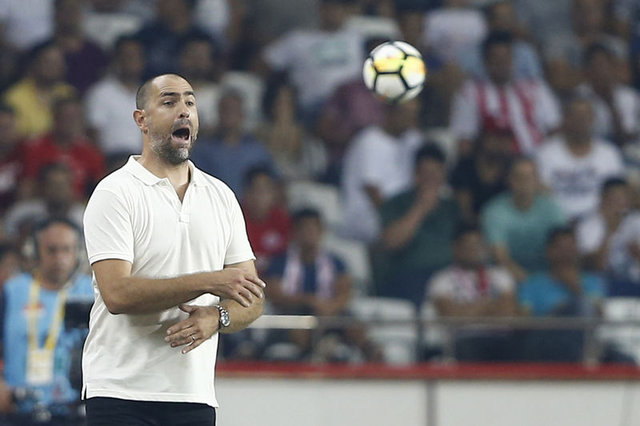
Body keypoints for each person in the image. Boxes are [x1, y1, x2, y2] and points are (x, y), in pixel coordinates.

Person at [82, 73, 265, 425]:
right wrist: (208, 281)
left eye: (190, 102)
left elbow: (252, 298)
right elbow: (117, 294)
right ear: (142, 120)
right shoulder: (114, 193)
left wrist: (218, 317)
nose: (184, 110)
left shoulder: (221, 197)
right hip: (119, 391)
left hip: (192, 394)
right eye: (169, 102)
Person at [0, 218, 93, 424]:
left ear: (78, 253)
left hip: (75, 410)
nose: (59, 258)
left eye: (66, 250)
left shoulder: (92, 291)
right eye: (51, 250)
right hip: (17, 409)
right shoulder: (13, 291)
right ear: (34, 252)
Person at [264, 208, 379, 362]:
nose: (310, 234)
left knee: (352, 323)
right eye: (305, 229)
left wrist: (330, 308)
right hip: (293, 311)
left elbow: (345, 293)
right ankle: (310, 358)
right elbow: (274, 294)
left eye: (314, 229)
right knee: (300, 326)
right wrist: (308, 301)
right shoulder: (280, 262)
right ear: (295, 233)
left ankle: (372, 355)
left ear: (321, 232)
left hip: (328, 312)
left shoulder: (335, 262)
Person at [450, 31, 561, 157]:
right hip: (497, 161)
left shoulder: (536, 88)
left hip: (539, 159)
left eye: (506, 59)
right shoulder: (471, 93)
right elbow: (465, 140)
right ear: (486, 62)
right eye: (496, 60)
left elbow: (554, 128)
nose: (502, 65)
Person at [378, 144, 460, 305]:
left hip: (449, 278)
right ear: (415, 174)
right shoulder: (397, 203)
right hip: (409, 276)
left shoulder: (452, 207)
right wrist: (421, 208)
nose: (431, 180)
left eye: (435, 174)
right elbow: (391, 242)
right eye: (426, 174)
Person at [428, 224, 519, 361]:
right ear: (456, 248)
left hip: (500, 337)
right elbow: (451, 316)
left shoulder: (501, 275)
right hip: (462, 339)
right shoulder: (442, 279)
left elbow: (507, 313)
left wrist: (468, 310)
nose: (474, 250)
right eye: (468, 246)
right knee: (468, 347)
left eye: (478, 245)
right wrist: (490, 306)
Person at [340, 99, 423, 243]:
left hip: (403, 213)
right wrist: (396, 220)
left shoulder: (414, 141)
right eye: (406, 114)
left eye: (414, 114)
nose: (410, 119)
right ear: (390, 112)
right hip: (369, 214)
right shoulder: (369, 140)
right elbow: (372, 190)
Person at [519, 226, 605, 362]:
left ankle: (586, 357)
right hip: (545, 340)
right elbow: (524, 321)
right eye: (561, 248)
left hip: (583, 340)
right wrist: (556, 315)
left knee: (623, 359)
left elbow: (600, 316)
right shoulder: (533, 283)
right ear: (549, 251)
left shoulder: (591, 282)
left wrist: (576, 288)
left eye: (570, 247)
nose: (566, 253)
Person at [536, 94, 624, 221]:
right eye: (575, 115)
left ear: (593, 119)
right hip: (556, 222)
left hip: (599, 221)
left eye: (585, 116)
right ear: (564, 118)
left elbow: (616, 193)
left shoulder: (609, 153)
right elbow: (542, 192)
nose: (580, 120)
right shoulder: (546, 153)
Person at [482, 157, 566, 283]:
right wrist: (530, 284)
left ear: (537, 180)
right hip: (508, 277)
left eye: (529, 177)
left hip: (549, 276)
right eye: (519, 177)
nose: (524, 182)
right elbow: (500, 258)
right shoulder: (494, 211)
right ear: (509, 180)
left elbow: (563, 250)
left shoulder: (553, 209)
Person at [190, 90, 277, 197]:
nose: (229, 115)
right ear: (219, 113)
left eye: (234, 110)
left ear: (242, 114)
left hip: (249, 206)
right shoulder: (203, 150)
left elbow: (274, 183)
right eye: (226, 110)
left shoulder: (256, 150)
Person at [21, 96, 106, 200]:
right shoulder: (35, 148)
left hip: (78, 205)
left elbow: (100, 187)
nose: (71, 123)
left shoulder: (90, 152)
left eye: (75, 118)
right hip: (42, 203)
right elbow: (27, 185)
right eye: (66, 117)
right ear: (55, 118)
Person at [84, 35, 145, 160]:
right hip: (110, 160)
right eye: (127, 56)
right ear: (117, 60)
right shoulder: (100, 93)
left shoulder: (150, 95)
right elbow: (93, 134)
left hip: (143, 162)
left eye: (136, 56)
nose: (132, 61)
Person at [577, 178, 640, 296]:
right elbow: (597, 266)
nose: (620, 205)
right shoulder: (588, 225)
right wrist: (608, 233)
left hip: (634, 282)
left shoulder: (636, 221)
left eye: (623, 198)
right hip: (602, 283)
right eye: (615, 199)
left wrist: (637, 254)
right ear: (603, 199)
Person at [2, 41, 75, 139]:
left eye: (58, 62)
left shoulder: (68, 93)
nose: (53, 67)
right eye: (48, 62)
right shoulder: (14, 96)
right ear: (34, 63)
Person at [242, 167, 291, 274]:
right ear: (246, 192)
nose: (261, 196)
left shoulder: (282, 220)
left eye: (266, 191)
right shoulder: (236, 219)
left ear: (274, 194)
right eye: (257, 190)